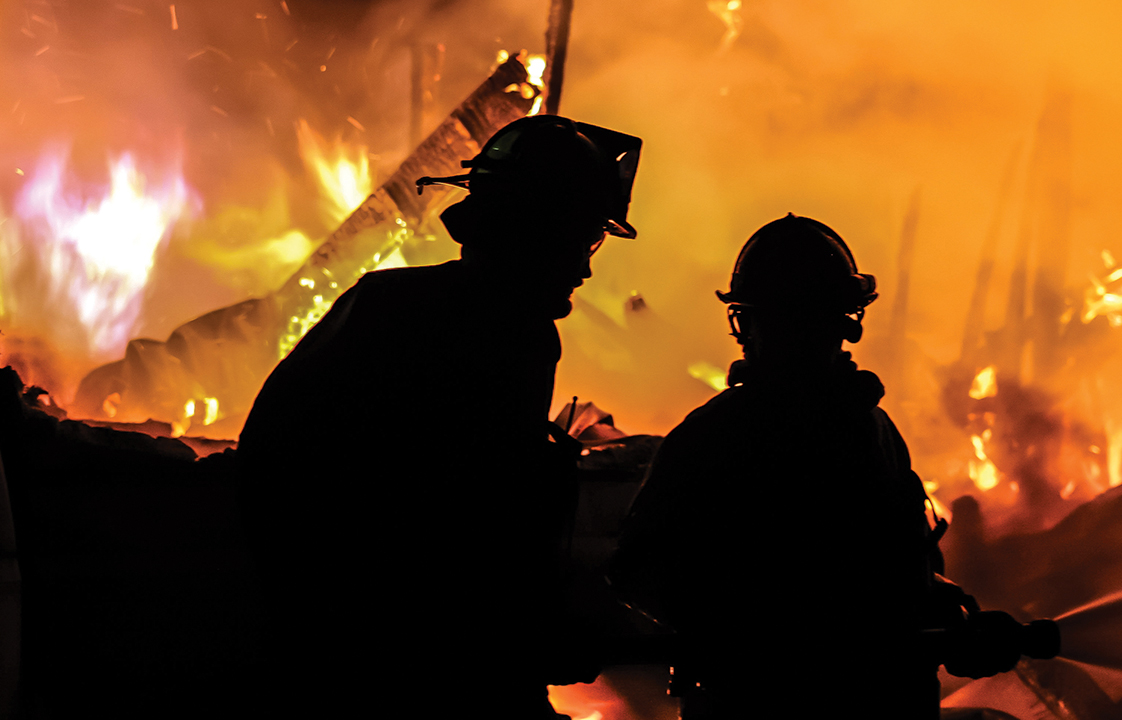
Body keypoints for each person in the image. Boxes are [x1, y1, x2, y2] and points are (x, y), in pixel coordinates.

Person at [236, 115, 641, 716]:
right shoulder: (511, 337)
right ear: (535, 231)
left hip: (339, 650)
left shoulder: (381, 304)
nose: (584, 269)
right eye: (579, 242)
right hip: (417, 668)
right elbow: (476, 528)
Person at [609, 215, 1021, 718]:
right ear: (851, 317)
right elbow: (640, 568)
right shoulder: (729, 435)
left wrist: (952, 612)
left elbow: (899, 565)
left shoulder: (865, 430)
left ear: (744, 322)